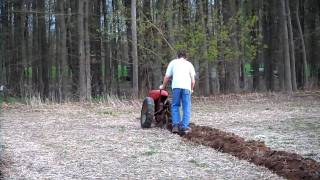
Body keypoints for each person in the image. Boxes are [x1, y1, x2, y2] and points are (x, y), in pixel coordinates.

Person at [159, 50, 196, 134]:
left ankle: (175, 125)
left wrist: (163, 86)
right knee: (186, 107)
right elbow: (193, 81)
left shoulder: (173, 62)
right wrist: (192, 89)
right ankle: (184, 127)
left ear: (177, 56)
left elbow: (167, 76)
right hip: (187, 88)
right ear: (186, 57)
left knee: (175, 105)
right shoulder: (189, 64)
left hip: (176, 87)